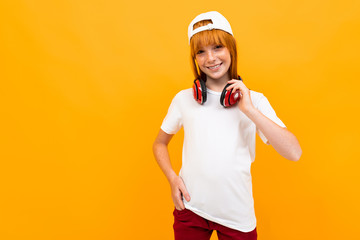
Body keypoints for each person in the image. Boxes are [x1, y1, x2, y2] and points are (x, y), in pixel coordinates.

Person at [152, 11, 302, 240]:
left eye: (217, 47)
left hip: (236, 214)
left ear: (231, 48)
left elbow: (294, 152)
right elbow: (160, 143)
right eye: (200, 52)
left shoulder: (255, 101)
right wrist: (173, 179)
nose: (210, 58)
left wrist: (249, 110)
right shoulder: (183, 99)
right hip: (190, 209)